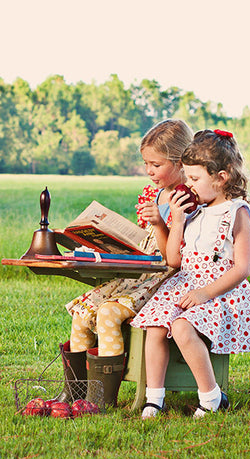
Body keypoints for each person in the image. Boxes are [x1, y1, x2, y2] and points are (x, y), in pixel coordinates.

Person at [57, 119, 194, 408]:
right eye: (146, 163)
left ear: (180, 161)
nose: (149, 171)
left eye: (156, 165)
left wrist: (158, 223)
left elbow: (175, 254)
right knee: (82, 314)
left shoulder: (187, 199)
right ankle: (76, 394)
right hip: (139, 270)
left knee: (107, 313)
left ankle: (101, 399)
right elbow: (144, 239)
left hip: (163, 278)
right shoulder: (156, 193)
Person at [131, 129, 250, 418]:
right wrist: (176, 221)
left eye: (194, 179)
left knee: (180, 327)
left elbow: (243, 268)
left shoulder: (236, 212)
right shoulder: (196, 211)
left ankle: (212, 397)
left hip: (219, 291)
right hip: (185, 282)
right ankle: (155, 398)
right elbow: (175, 260)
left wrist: (205, 292)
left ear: (221, 177)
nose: (187, 185)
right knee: (155, 324)